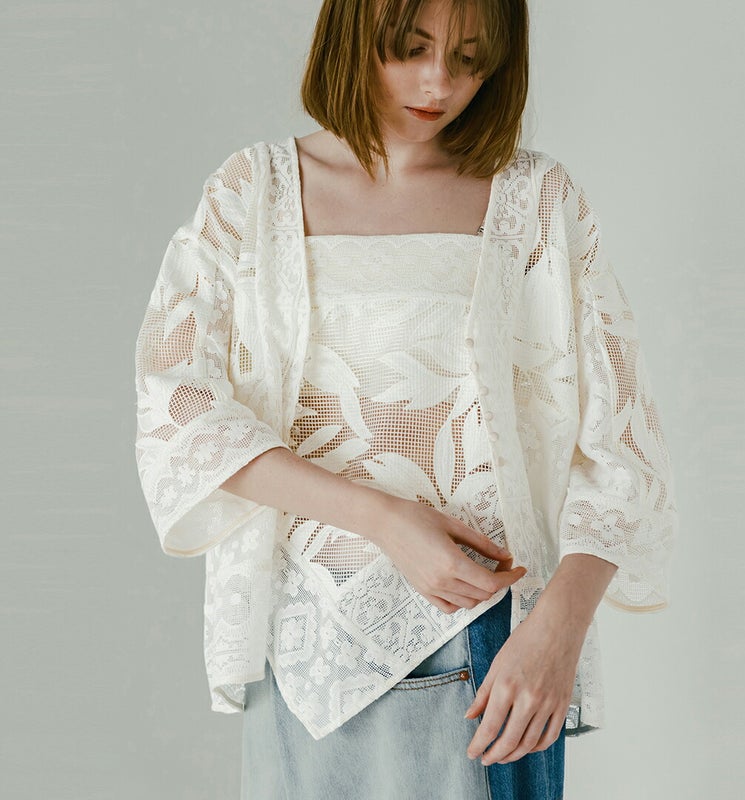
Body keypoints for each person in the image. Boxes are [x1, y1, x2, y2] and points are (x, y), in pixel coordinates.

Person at [133, 0, 677, 797]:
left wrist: (558, 629)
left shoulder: (535, 199)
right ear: (354, 34)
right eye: (410, 48)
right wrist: (384, 520)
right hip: (308, 654)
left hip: (491, 652)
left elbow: (623, 449)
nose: (439, 83)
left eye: (470, 57)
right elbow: (179, 409)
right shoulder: (253, 193)